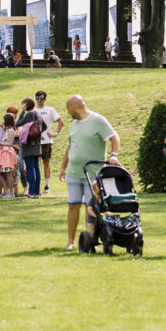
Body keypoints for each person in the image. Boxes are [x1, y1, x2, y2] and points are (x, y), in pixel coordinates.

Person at [59, 95, 120, 250]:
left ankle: (91, 241)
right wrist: (63, 167)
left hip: (92, 173)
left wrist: (114, 155)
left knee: (90, 207)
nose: (68, 112)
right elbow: (70, 146)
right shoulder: (74, 124)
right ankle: (71, 241)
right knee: (73, 205)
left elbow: (114, 138)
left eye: (68, 109)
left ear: (75, 107)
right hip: (74, 172)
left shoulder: (98, 120)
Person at [35, 90, 64, 194]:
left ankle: (47, 185)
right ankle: (36, 185)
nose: (39, 100)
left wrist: (56, 133)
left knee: (46, 162)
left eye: (41, 98)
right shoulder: (33, 110)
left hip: (46, 141)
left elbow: (60, 121)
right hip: (35, 141)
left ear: (45, 99)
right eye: (37, 98)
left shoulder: (50, 110)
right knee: (36, 163)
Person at [16, 98, 44, 198]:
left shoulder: (29, 114)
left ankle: (31, 192)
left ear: (26, 105)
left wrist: (22, 112)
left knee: (30, 168)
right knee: (37, 168)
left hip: (28, 145)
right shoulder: (38, 114)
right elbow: (44, 127)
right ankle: (37, 191)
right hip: (37, 144)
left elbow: (17, 124)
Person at [0, 114, 19, 197]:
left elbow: (10, 143)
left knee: (8, 173)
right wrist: (2, 129)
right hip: (2, 152)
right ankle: (5, 190)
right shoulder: (6, 130)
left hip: (7, 152)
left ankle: (11, 192)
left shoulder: (11, 130)